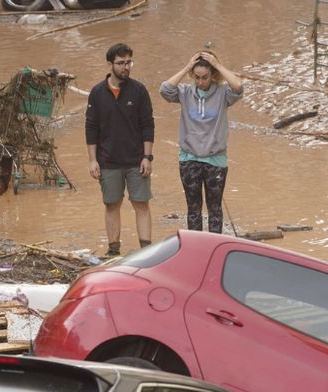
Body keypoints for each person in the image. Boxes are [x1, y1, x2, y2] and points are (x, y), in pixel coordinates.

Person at [160, 50, 244, 234]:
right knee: (193, 209)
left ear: (212, 75)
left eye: (205, 77)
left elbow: (238, 87)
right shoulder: (185, 93)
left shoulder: (223, 93)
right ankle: (195, 249)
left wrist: (218, 64)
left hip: (215, 161)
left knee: (215, 209)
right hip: (189, 159)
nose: (200, 82)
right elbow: (165, 89)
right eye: (196, 77)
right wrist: (187, 67)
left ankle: (214, 248)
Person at [86, 42, 155, 256]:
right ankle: (114, 251)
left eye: (129, 62)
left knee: (141, 203)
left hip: (136, 160)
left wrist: (147, 157)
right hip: (108, 161)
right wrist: (92, 160)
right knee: (112, 205)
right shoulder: (97, 93)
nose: (126, 67)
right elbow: (91, 128)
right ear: (110, 65)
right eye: (121, 63)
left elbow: (148, 125)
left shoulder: (139, 90)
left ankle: (146, 251)